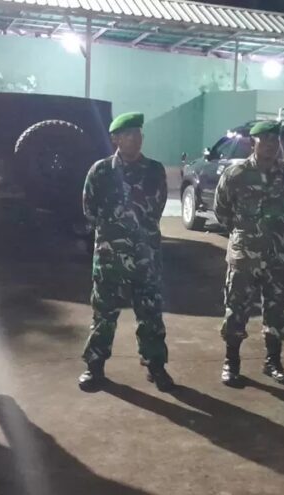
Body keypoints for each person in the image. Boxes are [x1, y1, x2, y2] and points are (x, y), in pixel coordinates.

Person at [78, 112, 174, 392]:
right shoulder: (100, 171)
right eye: (129, 134)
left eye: (138, 133)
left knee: (151, 314)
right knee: (103, 315)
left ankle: (155, 366)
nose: (135, 138)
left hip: (146, 257)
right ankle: (95, 367)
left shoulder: (154, 170)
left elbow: (157, 207)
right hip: (110, 257)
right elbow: (89, 209)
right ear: (115, 139)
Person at [214, 120, 284, 387]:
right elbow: (222, 210)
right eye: (265, 140)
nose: (271, 145)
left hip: (278, 255)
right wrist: (244, 234)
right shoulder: (236, 173)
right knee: (237, 309)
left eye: (276, 140)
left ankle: (273, 362)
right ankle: (231, 362)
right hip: (245, 256)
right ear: (253, 142)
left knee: (277, 309)